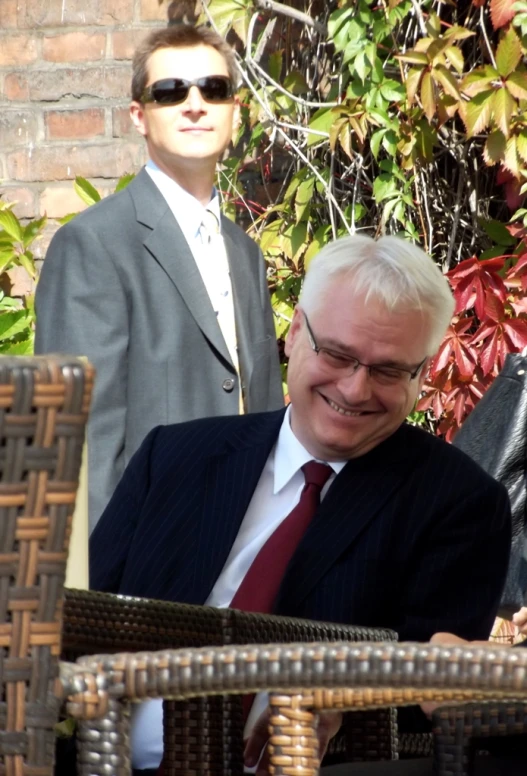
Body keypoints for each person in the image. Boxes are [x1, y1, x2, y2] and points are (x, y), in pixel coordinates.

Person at [90, 234, 512, 775]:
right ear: (293, 335)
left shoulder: (459, 504)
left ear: (423, 374)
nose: (356, 390)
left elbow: (430, 700)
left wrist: (342, 700)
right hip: (96, 756)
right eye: (337, 355)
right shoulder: (174, 457)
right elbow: (82, 622)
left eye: (387, 371)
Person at [34, 25, 283, 531]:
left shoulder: (246, 254)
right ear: (138, 115)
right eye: (170, 92)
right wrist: (98, 598)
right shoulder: (92, 246)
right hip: (143, 567)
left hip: (242, 560)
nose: (194, 104)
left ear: (235, 110)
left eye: (213, 90)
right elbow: (73, 445)